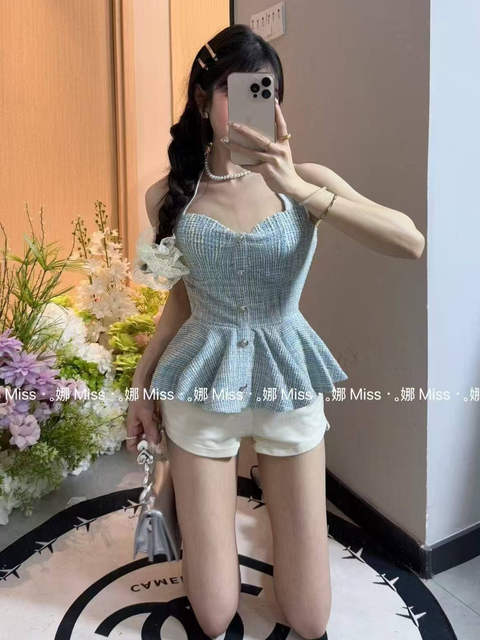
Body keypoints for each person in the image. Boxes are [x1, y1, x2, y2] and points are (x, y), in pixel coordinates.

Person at [126, 23, 425, 640]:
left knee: (310, 619)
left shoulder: (307, 180)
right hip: (201, 386)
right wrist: (141, 382)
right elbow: (179, 301)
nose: (251, 106)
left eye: (264, 92)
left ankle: (266, 522)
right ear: (203, 100)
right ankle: (193, 499)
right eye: (234, 90)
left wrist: (297, 189)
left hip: (287, 377)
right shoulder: (167, 196)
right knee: (214, 615)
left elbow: (410, 242)